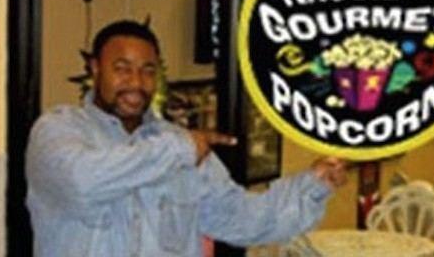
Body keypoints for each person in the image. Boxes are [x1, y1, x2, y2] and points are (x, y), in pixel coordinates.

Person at [26, 20, 347, 257]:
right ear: (95, 68)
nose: (136, 82)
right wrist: (178, 151)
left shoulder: (179, 144)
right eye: (122, 68)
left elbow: (242, 218)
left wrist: (313, 186)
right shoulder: (58, 130)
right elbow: (82, 182)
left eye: (148, 70)